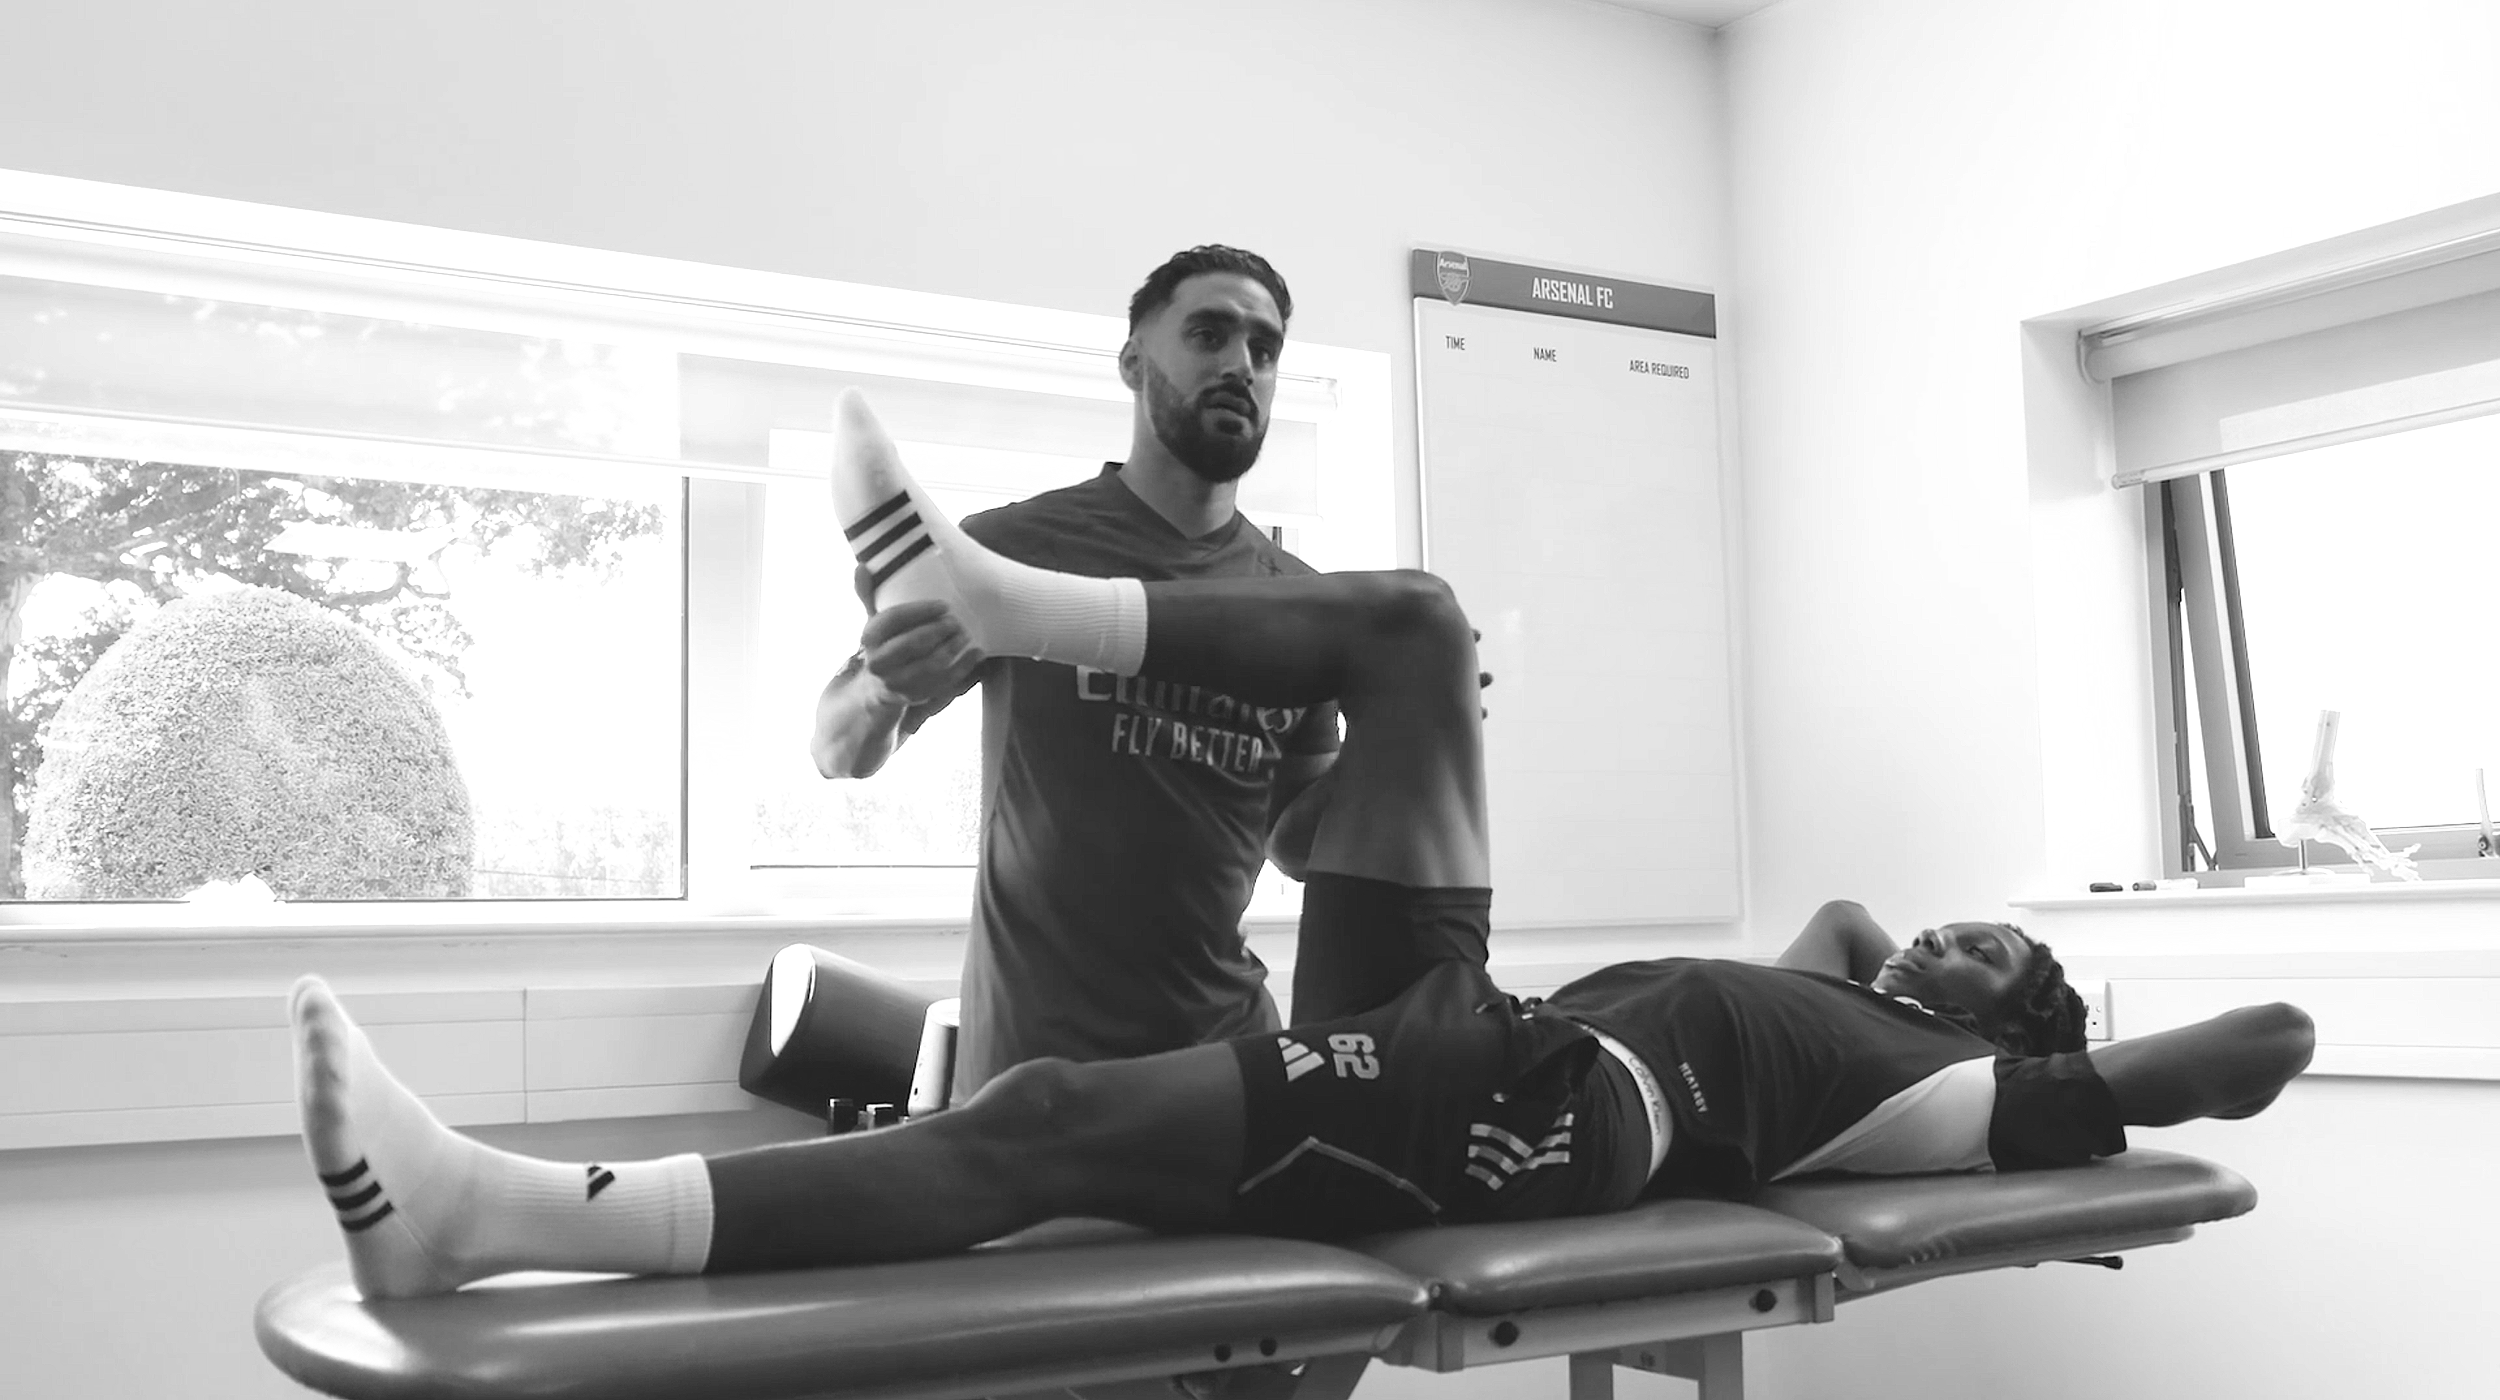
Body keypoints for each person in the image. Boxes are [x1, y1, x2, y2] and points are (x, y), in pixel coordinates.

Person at [290, 397, 2315, 1298]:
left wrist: (2060, 1058)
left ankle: (495, 1214)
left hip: (1513, 1107)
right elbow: (1860, 919)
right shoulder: (1837, 1010)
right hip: (1486, 1042)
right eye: (1954, 929)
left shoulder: (1956, 1097)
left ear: (2006, 1033)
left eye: (1985, 950)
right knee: (1417, 629)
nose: (1942, 930)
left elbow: (2250, 1047)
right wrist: (1905, 954)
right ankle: (1002, 605)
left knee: (1048, 1126)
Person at [809, 245, 1376, 1098]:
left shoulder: (1297, 601)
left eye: (1264, 349)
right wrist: (885, 685)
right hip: (1035, 1064)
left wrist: (1401, 733)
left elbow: (1297, 843)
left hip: (1222, 1061)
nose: (1240, 365)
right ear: (1133, 361)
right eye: (1210, 333)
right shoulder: (1012, 550)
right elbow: (837, 751)